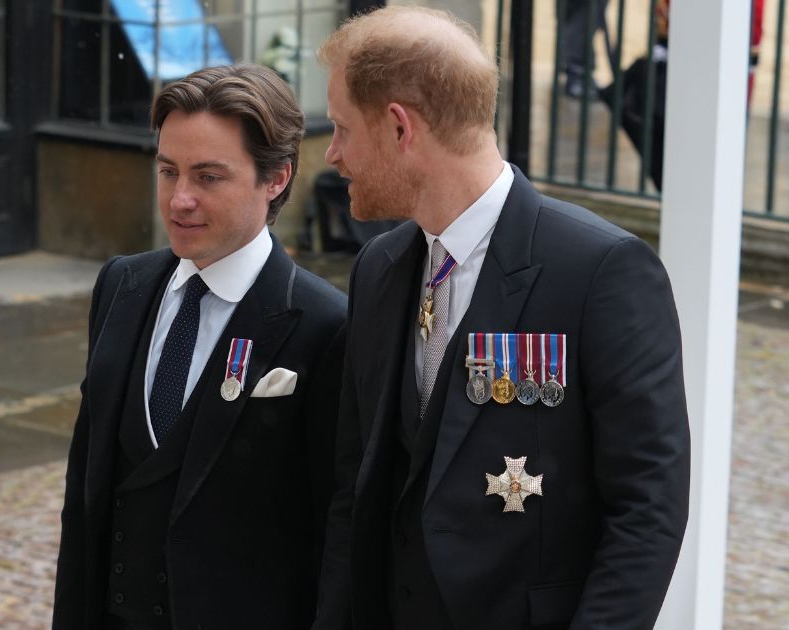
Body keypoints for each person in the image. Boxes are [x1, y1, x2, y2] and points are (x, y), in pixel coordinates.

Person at [313, 7, 690, 629]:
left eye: (342, 128)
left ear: (400, 128)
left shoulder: (601, 270)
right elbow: (355, 491)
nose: (332, 154)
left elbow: (648, 509)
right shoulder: (379, 268)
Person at [53, 64, 346, 630]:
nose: (179, 199)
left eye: (209, 177)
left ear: (277, 178)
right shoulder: (121, 285)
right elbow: (85, 493)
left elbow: (334, 532)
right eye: (168, 172)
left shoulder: (326, 325)